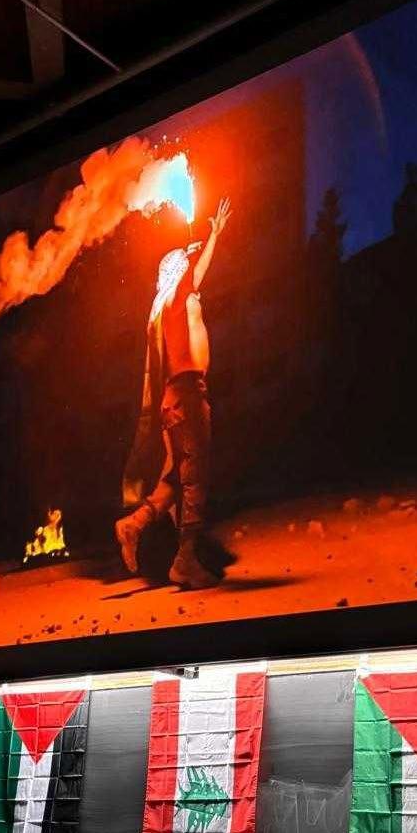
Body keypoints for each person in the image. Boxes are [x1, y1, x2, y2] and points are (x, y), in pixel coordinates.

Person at [117, 197, 232, 589]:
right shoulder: (178, 297)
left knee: (172, 478)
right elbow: (195, 275)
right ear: (177, 272)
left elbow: (194, 277)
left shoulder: (168, 306)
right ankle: (185, 560)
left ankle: (134, 525)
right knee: (196, 476)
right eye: (183, 267)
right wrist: (207, 241)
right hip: (187, 395)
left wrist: (208, 238)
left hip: (174, 398)